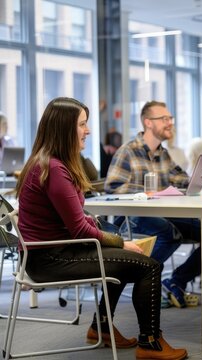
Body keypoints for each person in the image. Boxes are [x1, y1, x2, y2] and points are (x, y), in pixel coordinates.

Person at [15, 97, 187, 360]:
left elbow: (76, 221)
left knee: (125, 260)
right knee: (147, 265)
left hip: (48, 254)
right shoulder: (54, 169)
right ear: (64, 129)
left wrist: (113, 241)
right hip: (52, 259)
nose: (88, 130)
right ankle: (149, 344)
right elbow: (79, 230)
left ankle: (102, 328)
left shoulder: (49, 162)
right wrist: (120, 243)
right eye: (82, 125)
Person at [104, 100, 202, 309]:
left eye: (170, 118)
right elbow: (112, 187)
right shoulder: (128, 152)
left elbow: (181, 179)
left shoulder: (162, 153)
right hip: (134, 217)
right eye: (164, 119)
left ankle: (175, 282)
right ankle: (138, 274)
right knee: (169, 233)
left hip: (165, 214)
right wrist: (146, 193)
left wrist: (198, 181)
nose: (170, 123)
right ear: (148, 123)